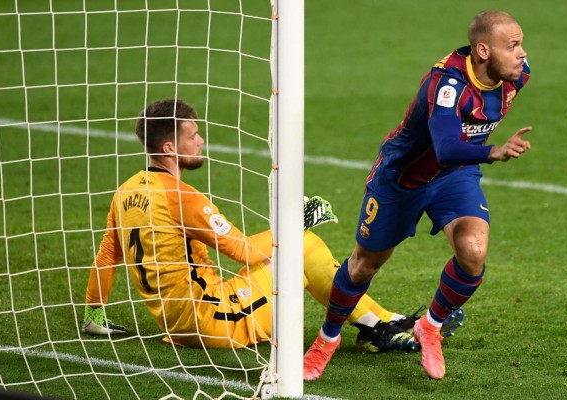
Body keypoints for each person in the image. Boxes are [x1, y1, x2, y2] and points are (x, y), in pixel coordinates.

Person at [81, 98, 423, 353]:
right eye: (193, 135)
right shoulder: (181, 197)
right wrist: (295, 222)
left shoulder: (125, 192)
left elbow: (109, 251)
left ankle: (379, 322)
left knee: (298, 248)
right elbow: (241, 251)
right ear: (169, 146)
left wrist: (94, 309)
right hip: (213, 320)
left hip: (175, 324)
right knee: (303, 244)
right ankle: (377, 326)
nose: (200, 140)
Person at [303, 9, 531, 381]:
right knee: (364, 265)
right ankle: (327, 339)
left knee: (473, 252)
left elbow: (456, 153)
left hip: (455, 176)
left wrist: (480, 152)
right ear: (483, 51)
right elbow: (444, 146)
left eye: (522, 43)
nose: (523, 54)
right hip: (402, 180)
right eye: (514, 45)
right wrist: (493, 151)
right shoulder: (447, 85)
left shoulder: (517, 76)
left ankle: (431, 326)